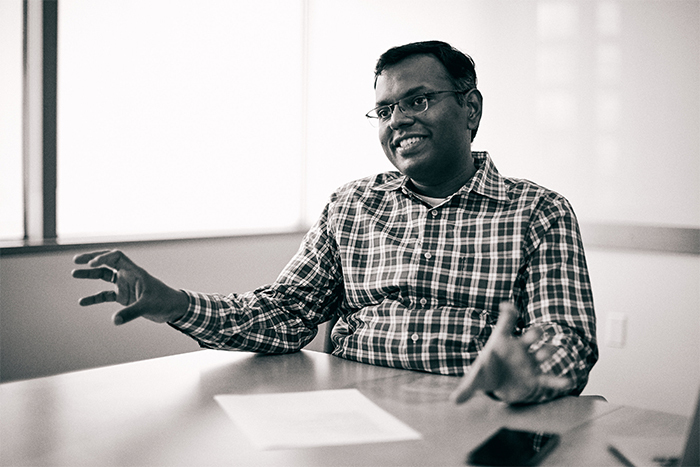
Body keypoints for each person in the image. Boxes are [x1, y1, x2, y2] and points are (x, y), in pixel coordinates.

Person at [72, 40, 597, 405]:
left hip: (475, 408)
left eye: (418, 100)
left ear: (471, 109)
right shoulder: (352, 204)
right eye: (385, 110)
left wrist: (526, 372)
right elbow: (285, 312)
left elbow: (567, 337)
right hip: (348, 411)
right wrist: (177, 304)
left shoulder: (538, 211)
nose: (399, 120)